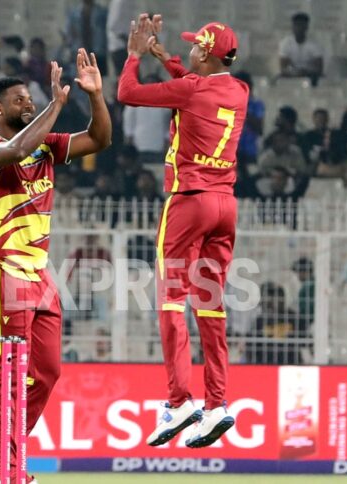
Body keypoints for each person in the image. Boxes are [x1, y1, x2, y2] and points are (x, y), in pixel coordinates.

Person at [0, 48, 110, 484]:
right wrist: (55, 105)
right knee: (10, 369)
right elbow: (17, 148)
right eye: (20, 100)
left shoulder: (46, 144)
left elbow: (99, 140)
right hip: (0, 272)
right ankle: (5, 469)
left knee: (47, 372)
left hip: (39, 275)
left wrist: (96, 96)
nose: (27, 104)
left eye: (31, 99)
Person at [119, 14, 248, 448]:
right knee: (210, 306)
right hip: (225, 207)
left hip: (188, 201)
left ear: (206, 54)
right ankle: (217, 405)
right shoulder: (239, 90)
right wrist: (166, 59)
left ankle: (178, 401)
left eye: (195, 47)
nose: (189, 51)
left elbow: (127, 94)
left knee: (171, 299)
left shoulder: (192, 89)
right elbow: (195, 86)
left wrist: (136, 57)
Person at [279, 12, 324, 85]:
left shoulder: (314, 44)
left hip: (310, 75)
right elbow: (283, 67)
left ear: (306, 27)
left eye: (301, 25)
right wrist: (294, 72)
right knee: (278, 79)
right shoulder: (285, 43)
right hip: (292, 74)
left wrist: (306, 72)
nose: (299, 28)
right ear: (292, 27)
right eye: (296, 25)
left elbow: (319, 69)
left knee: (319, 79)